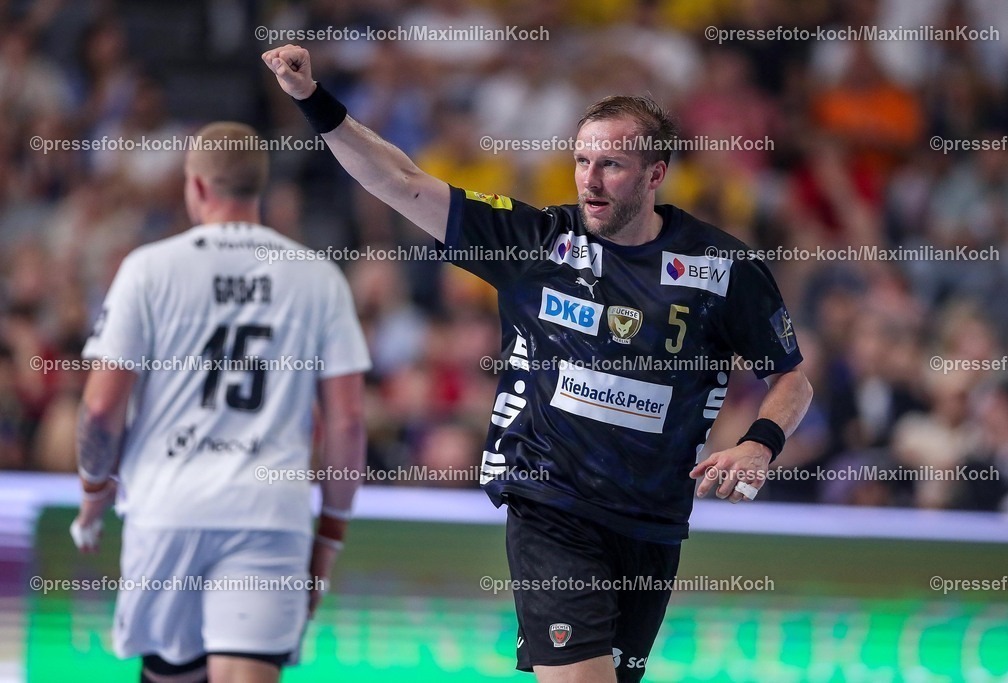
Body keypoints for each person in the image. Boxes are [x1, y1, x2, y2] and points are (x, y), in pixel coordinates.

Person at [262, 45, 813, 683]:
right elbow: (401, 181)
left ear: (656, 173)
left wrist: (759, 445)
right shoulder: (537, 242)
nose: (590, 179)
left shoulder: (724, 269)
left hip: (653, 521)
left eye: (612, 164)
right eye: (582, 160)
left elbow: (790, 378)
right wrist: (312, 99)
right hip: (551, 501)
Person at [72, 121, 370, 683]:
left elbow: (99, 411)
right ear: (256, 188)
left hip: (168, 507)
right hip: (269, 512)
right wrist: (329, 535)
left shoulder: (148, 269)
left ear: (198, 187)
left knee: (168, 674)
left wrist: (93, 494)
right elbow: (349, 421)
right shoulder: (318, 278)